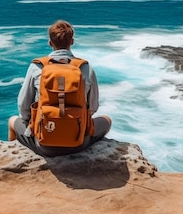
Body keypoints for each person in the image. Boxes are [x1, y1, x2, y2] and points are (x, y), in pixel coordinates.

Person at [8, 20, 112, 157]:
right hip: (78, 142)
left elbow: (23, 107)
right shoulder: (85, 68)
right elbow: (92, 108)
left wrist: (35, 122)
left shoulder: (37, 66)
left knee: (12, 120)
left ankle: (13, 156)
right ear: (72, 41)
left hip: (43, 143)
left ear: (50, 43)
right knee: (107, 120)